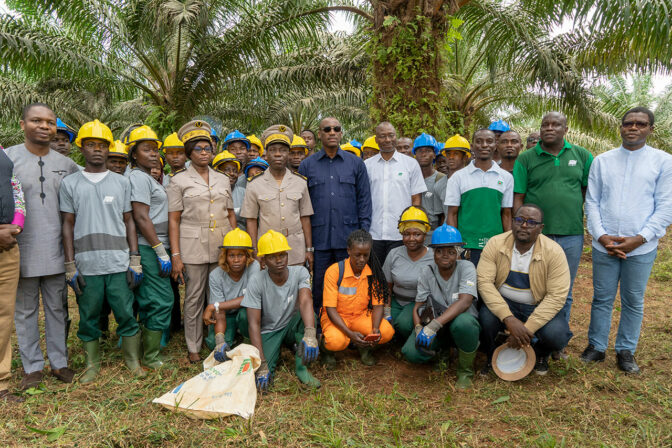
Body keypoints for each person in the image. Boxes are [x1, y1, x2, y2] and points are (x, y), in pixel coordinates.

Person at [582, 107, 672, 374]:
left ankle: (625, 350)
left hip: (642, 247)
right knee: (602, 298)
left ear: (650, 129)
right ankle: (596, 347)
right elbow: (592, 202)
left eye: (640, 124)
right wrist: (601, 236)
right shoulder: (603, 161)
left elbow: (665, 206)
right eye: (628, 123)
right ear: (620, 127)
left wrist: (639, 238)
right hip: (604, 244)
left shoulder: (663, 161)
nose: (633, 128)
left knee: (633, 300)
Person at [60, 119, 146, 383]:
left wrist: (135, 259)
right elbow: (67, 224)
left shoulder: (120, 183)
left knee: (125, 313)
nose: (97, 149)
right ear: (81, 149)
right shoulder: (70, 183)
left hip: (118, 263)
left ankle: (132, 361)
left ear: (109, 149)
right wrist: (70, 265)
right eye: (91, 144)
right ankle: (92, 364)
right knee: (88, 316)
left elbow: (129, 220)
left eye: (102, 145)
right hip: (87, 265)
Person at [7, 103, 80, 390]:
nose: (44, 126)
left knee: (57, 308)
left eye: (50, 122)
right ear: (23, 124)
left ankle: (59, 363)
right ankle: (32, 368)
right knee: (24, 311)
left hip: (56, 249)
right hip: (19, 249)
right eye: (37, 120)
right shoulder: (7, 159)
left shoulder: (67, 166)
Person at [513, 112, 593, 357]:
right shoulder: (526, 158)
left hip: (570, 234)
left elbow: (586, 192)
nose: (549, 128)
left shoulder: (582, 156)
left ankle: (556, 343)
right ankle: (532, 336)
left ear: (565, 129)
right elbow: (518, 197)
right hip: (535, 236)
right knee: (531, 285)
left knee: (563, 291)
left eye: (555, 124)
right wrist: (519, 231)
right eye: (545, 124)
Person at [167, 120, 236, 363]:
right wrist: (176, 255)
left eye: (208, 148)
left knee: (216, 296)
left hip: (220, 243)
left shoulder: (222, 179)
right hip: (192, 246)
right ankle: (193, 346)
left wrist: (235, 243)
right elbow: (174, 220)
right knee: (194, 297)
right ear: (189, 153)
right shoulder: (178, 181)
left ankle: (214, 341)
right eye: (199, 148)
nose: (205, 152)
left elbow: (229, 213)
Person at [477, 204, 572, 375]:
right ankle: (492, 354)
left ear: (541, 228)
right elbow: (484, 282)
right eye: (519, 220)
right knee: (485, 319)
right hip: (504, 302)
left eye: (531, 222)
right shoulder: (495, 243)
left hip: (536, 305)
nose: (524, 225)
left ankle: (539, 354)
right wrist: (508, 318)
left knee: (557, 335)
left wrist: (526, 328)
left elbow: (557, 296)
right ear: (512, 222)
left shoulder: (554, 252)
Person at [299, 117, 372, 318]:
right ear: (320, 135)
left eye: (336, 129)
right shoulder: (307, 166)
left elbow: (364, 200)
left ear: (341, 133)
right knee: (320, 286)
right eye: (327, 129)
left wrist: (363, 236)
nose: (332, 132)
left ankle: (349, 324)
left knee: (348, 284)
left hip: (348, 239)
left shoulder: (356, 163)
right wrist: (308, 246)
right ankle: (321, 328)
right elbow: (302, 207)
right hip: (320, 239)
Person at [401, 224, 481, 390]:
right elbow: (418, 306)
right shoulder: (427, 271)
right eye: (440, 251)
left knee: (464, 324)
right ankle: (442, 352)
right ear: (433, 253)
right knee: (411, 352)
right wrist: (418, 328)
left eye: (451, 251)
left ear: (458, 253)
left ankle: (465, 371)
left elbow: (465, 301)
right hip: (436, 323)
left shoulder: (467, 267)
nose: (445, 255)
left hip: (459, 320)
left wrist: (434, 325)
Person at [239, 230, 320, 390]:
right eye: (272, 256)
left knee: (311, 317)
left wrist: (310, 334)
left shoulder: (300, 272)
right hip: (268, 329)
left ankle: (301, 367)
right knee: (262, 377)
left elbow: (305, 301)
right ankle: (266, 350)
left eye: (282, 254)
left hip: (290, 323)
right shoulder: (256, 280)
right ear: (263, 262)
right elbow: (253, 323)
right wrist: (261, 363)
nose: (279, 260)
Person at [126, 125, 173, 369]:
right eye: (147, 149)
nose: (154, 154)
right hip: (148, 247)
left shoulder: (145, 177)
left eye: (155, 149)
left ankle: (149, 350)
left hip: (154, 246)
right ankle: (151, 356)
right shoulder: (137, 178)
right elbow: (141, 216)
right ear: (134, 154)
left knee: (150, 300)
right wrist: (159, 249)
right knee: (162, 300)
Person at [242, 125, 314, 268]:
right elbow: (251, 220)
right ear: (266, 153)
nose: (277, 154)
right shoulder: (254, 184)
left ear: (288, 153)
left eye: (283, 150)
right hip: (267, 249)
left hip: (295, 248)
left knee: (295, 287)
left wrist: (309, 249)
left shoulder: (300, 182)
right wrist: (255, 250)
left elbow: (305, 217)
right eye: (273, 150)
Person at [321, 229, 394, 367]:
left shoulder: (373, 273)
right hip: (337, 317)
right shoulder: (334, 271)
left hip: (360, 316)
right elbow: (330, 309)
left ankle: (364, 348)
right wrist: (350, 334)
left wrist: (375, 329)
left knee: (386, 332)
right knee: (336, 341)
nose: (362, 260)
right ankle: (326, 351)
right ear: (349, 251)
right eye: (357, 255)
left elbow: (378, 305)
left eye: (366, 255)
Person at [445, 128, 513, 267]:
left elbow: (506, 214)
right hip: (466, 246)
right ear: (472, 146)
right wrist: (455, 248)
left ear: (495, 145)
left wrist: (509, 245)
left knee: (491, 286)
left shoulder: (506, 177)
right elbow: (452, 214)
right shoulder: (458, 177)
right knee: (468, 286)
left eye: (489, 141)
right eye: (479, 141)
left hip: (496, 245)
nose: (484, 145)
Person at [366, 122, 426, 265]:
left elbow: (416, 199)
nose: (387, 140)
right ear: (376, 140)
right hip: (374, 233)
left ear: (396, 137)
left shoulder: (411, 164)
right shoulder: (367, 165)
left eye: (391, 135)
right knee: (375, 277)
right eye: (383, 136)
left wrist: (412, 229)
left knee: (399, 276)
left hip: (401, 234)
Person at [202, 228, 260, 357]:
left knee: (245, 314)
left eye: (241, 255)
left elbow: (250, 297)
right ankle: (230, 335)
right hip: (226, 315)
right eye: (231, 255)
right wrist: (220, 340)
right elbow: (219, 311)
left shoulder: (254, 267)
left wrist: (213, 306)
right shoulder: (215, 275)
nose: (236, 260)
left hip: (247, 311)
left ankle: (248, 338)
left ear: (247, 256)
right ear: (225, 257)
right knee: (214, 343)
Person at [382, 207, 435, 340]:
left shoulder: (434, 257)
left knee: (403, 324)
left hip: (419, 303)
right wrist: (386, 310)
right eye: (406, 234)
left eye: (417, 234)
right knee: (380, 323)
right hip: (396, 301)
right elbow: (386, 287)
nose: (411, 238)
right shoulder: (394, 254)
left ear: (424, 234)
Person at [0, 143, 26, 402]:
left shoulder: (2, 152)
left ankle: (0, 383)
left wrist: (15, 227)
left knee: (3, 316)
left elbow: (16, 190)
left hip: (7, 244)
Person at [161, 132, 186, 335]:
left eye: (179, 152)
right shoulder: (161, 179)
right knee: (170, 284)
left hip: (191, 238)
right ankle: (173, 324)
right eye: (171, 153)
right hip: (168, 241)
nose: (175, 157)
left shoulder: (194, 177)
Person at [431, 135, 471, 226]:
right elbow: (441, 216)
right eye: (448, 154)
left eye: (456, 154)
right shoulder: (439, 185)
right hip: (450, 235)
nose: (451, 157)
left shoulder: (474, 180)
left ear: (465, 157)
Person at [412, 133, 443, 241]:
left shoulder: (441, 179)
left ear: (434, 155)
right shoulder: (409, 178)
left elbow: (445, 213)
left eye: (428, 151)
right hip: (412, 233)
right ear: (415, 154)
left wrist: (440, 237)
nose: (423, 154)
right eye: (420, 151)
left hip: (433, 234)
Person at [212, 150, 246, 230]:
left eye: (235, 171)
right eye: (227, 170)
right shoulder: (210, 193)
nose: (232, 173)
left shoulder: (244, 193)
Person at [223, 131, 251, 199]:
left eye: (242, 148)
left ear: (247, 151)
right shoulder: (218, 175)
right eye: (233, 149)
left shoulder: (252, 173)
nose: (238, 152)